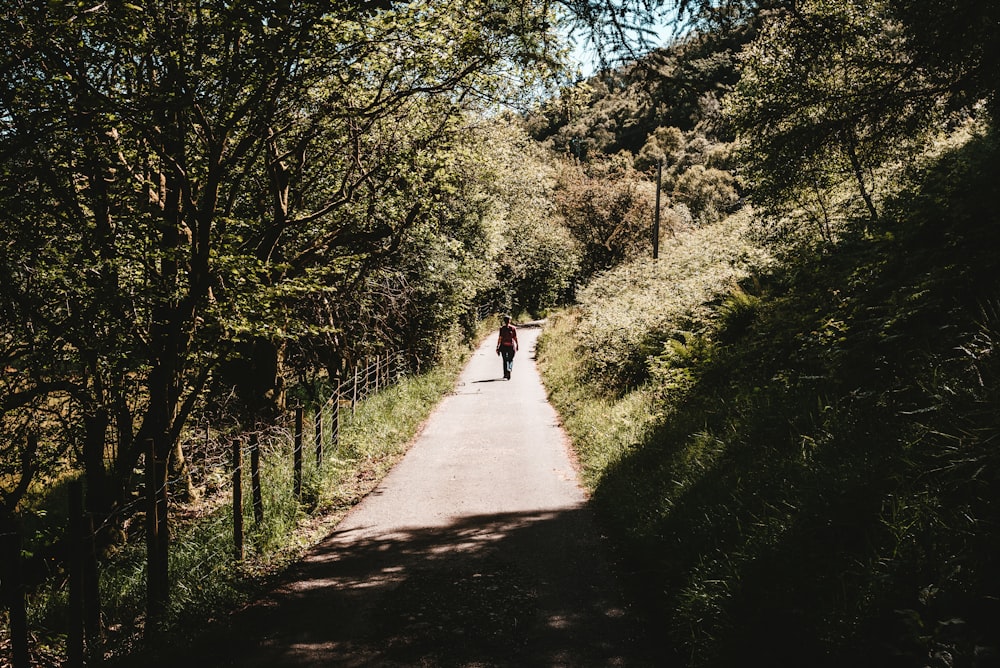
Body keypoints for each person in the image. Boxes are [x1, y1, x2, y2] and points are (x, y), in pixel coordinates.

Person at [496, 315, 518, 380]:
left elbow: (500, 338)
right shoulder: (513, 328)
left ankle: (505, 374)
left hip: (503, 346)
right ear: (509, 321)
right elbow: (515, 338)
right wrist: (517, 345)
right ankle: (509, 369)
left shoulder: (502, 328)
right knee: (510, 359)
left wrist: (497, 346)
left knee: (505, 360)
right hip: (511, 346)